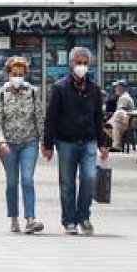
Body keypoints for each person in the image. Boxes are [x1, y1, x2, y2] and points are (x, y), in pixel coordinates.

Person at [42, 46, 109, 236]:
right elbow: (51, 117)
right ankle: (69, 220)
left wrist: (103, 143)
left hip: (89, 141)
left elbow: (98, 117)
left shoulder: (94, 89)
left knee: (89, 178)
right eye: (79, 63)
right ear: (71, 63)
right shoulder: (60, 87)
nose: (82, 66)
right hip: (66, 142)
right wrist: (47, 144)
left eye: (85, 63)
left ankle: (84, 217)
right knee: (67, 183)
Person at [0, 56, 45, 234]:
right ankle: (14, 218)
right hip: (8, 144)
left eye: (21, 74)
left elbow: (39, 118)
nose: (17, 77)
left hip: (29, 142)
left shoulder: (33, 92)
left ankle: (30, 218)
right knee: (12, 182)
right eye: (14, 74)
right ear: (8, 74)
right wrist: (0, 141)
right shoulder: (1, 94)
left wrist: (44, 142)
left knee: (27, 179)